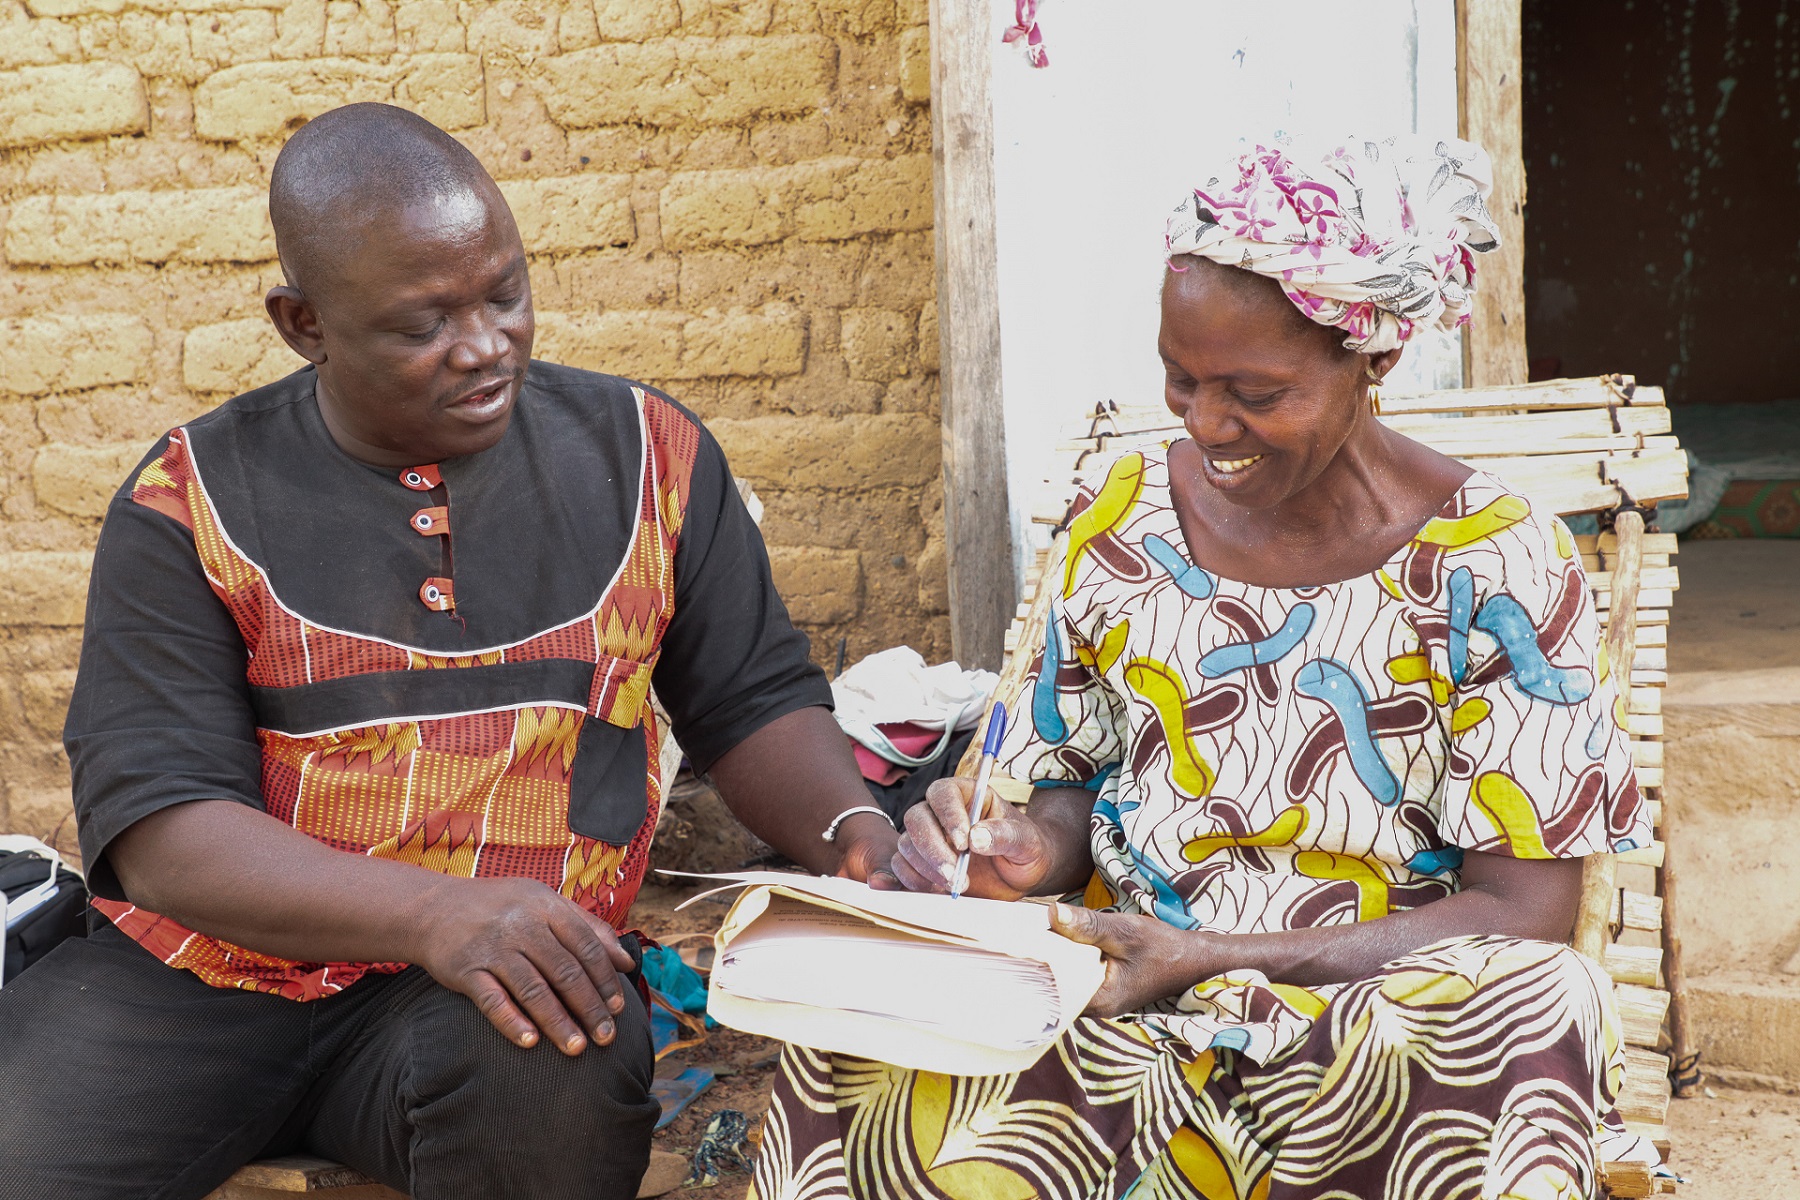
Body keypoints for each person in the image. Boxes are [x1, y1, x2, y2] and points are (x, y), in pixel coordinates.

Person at [0, 103, 898, 1200]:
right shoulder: (188, 502)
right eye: (423, 324)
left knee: (563, 1065)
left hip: (489, 990)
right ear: (303, 323)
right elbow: (165, 832)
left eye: (504, 294)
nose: (483, 345)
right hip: (200, 983)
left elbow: (751, 700)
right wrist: (435, 912)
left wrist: (857, 835)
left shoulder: (648, 457)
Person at [752, 137, 1655, 1200]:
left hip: (1369, 1024)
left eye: (1255, 392)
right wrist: (1020, 850)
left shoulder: (1498, 564)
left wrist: (1221, 956)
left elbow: (1523, 911)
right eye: (1181, 381)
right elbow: (1068, 788)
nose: (1208, 424)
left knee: (1539, 1004)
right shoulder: (1124, 521)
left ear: (1373, 360)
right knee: (851, 1039)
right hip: (1119, 1004)